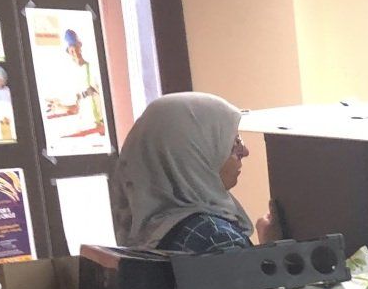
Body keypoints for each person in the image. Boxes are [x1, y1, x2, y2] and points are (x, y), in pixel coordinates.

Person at [110, 92, 274, 253]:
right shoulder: (215, 240)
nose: (245, 152)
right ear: (192, 153)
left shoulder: (150, 229)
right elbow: (249, 279)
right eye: (234, 142)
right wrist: (275, 251)